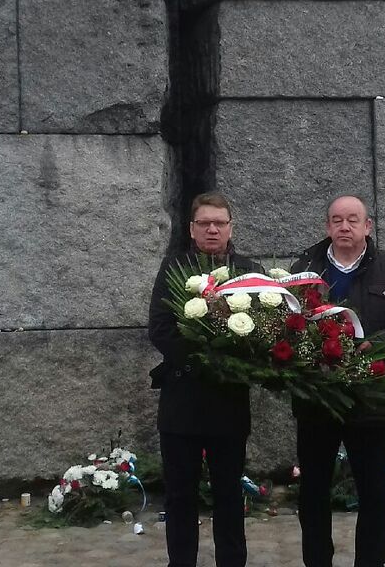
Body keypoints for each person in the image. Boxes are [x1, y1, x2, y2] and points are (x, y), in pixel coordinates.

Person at [290, 195, 385, 567]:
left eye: (353, 220)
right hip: (317, 398)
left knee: (373, 491)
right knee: (314, 490)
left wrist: (376, 345)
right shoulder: (304, 268)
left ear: (368, 226)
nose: (344, 227)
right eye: (337, 220)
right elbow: (285, 322)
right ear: (327, 227)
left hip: (372, 398)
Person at [148, 191, 261, 567]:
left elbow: (263, 333)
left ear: (231, 228)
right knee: (180, 495)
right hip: (182, 401)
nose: (212, 229)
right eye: (204, 223)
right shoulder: (173, 268)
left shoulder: (249, 271)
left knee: (229, 494)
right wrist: (203, 359)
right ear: (192, 228)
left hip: (229, 402)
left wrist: (232, 362)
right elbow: (160, 330)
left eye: (220, 223)